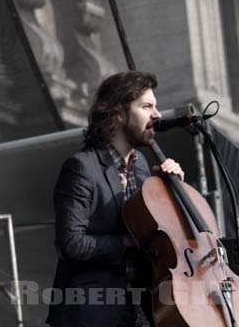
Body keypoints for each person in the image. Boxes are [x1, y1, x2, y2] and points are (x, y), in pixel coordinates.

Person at [46, 71, 185, 327]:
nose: (157, 114)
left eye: (156, 106)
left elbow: (157, 234)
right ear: (118, 113)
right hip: (92, 314)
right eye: (146, 106)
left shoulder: (142, 165)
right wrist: (128, 243)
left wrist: (173, 192)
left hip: (140, 310)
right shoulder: (82, 168)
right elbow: (71, 244)